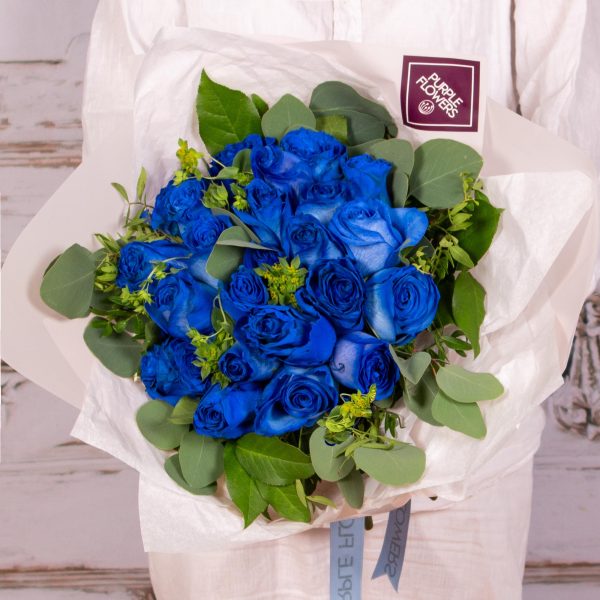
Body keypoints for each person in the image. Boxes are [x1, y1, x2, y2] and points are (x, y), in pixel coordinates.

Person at [79, 1, 600, 598]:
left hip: (465, 445)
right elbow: (118, 140)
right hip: (227, 460)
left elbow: (572, 170)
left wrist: (420, 428)